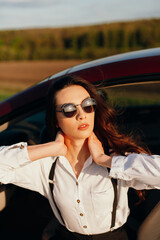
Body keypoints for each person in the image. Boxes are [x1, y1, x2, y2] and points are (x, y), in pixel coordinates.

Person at [0, 75, 160, 240]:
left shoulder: (115, 159)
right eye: (69, 110)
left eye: (87, 105)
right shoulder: (46, 166)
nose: (81, 115)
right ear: (56, 120)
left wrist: (104, 160)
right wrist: (50, 148)